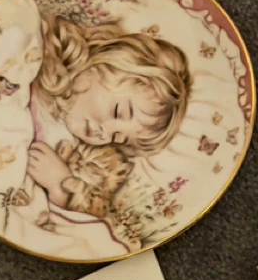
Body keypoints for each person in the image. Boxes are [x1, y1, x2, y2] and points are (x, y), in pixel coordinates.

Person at [24, 15, 191, 219]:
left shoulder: (66, 149)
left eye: (116, 137)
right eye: (118, 112)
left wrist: (59, 184)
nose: (104, 133)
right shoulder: (36, 57)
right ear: (101, 65)